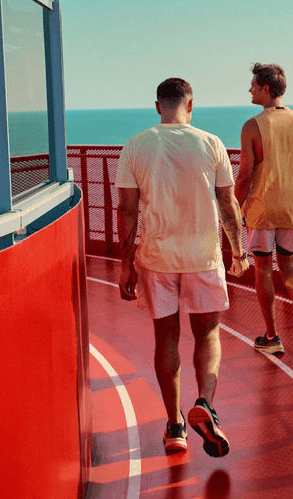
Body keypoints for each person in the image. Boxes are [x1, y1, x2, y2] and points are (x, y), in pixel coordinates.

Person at [115, 78, 250, 458]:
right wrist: (239, 252)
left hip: (157, 259)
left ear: (158, 106)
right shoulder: (211, 144)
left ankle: (175, 426)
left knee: (166, 339)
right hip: (203, 257)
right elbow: (227, 205)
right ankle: (204, 404)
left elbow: (126, 210)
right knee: (207, 337)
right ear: (191, 105)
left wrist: (126, 265)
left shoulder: (136, 145)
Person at [234, 63, 293, 355]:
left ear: (266, 89)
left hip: (261, 209)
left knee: (263, 270)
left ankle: (272, 337)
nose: (250, 90)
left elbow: (245, 174)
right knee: (289, 265)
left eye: (254, 86)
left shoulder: (252, 126)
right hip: (292, 209)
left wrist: (233, 207)